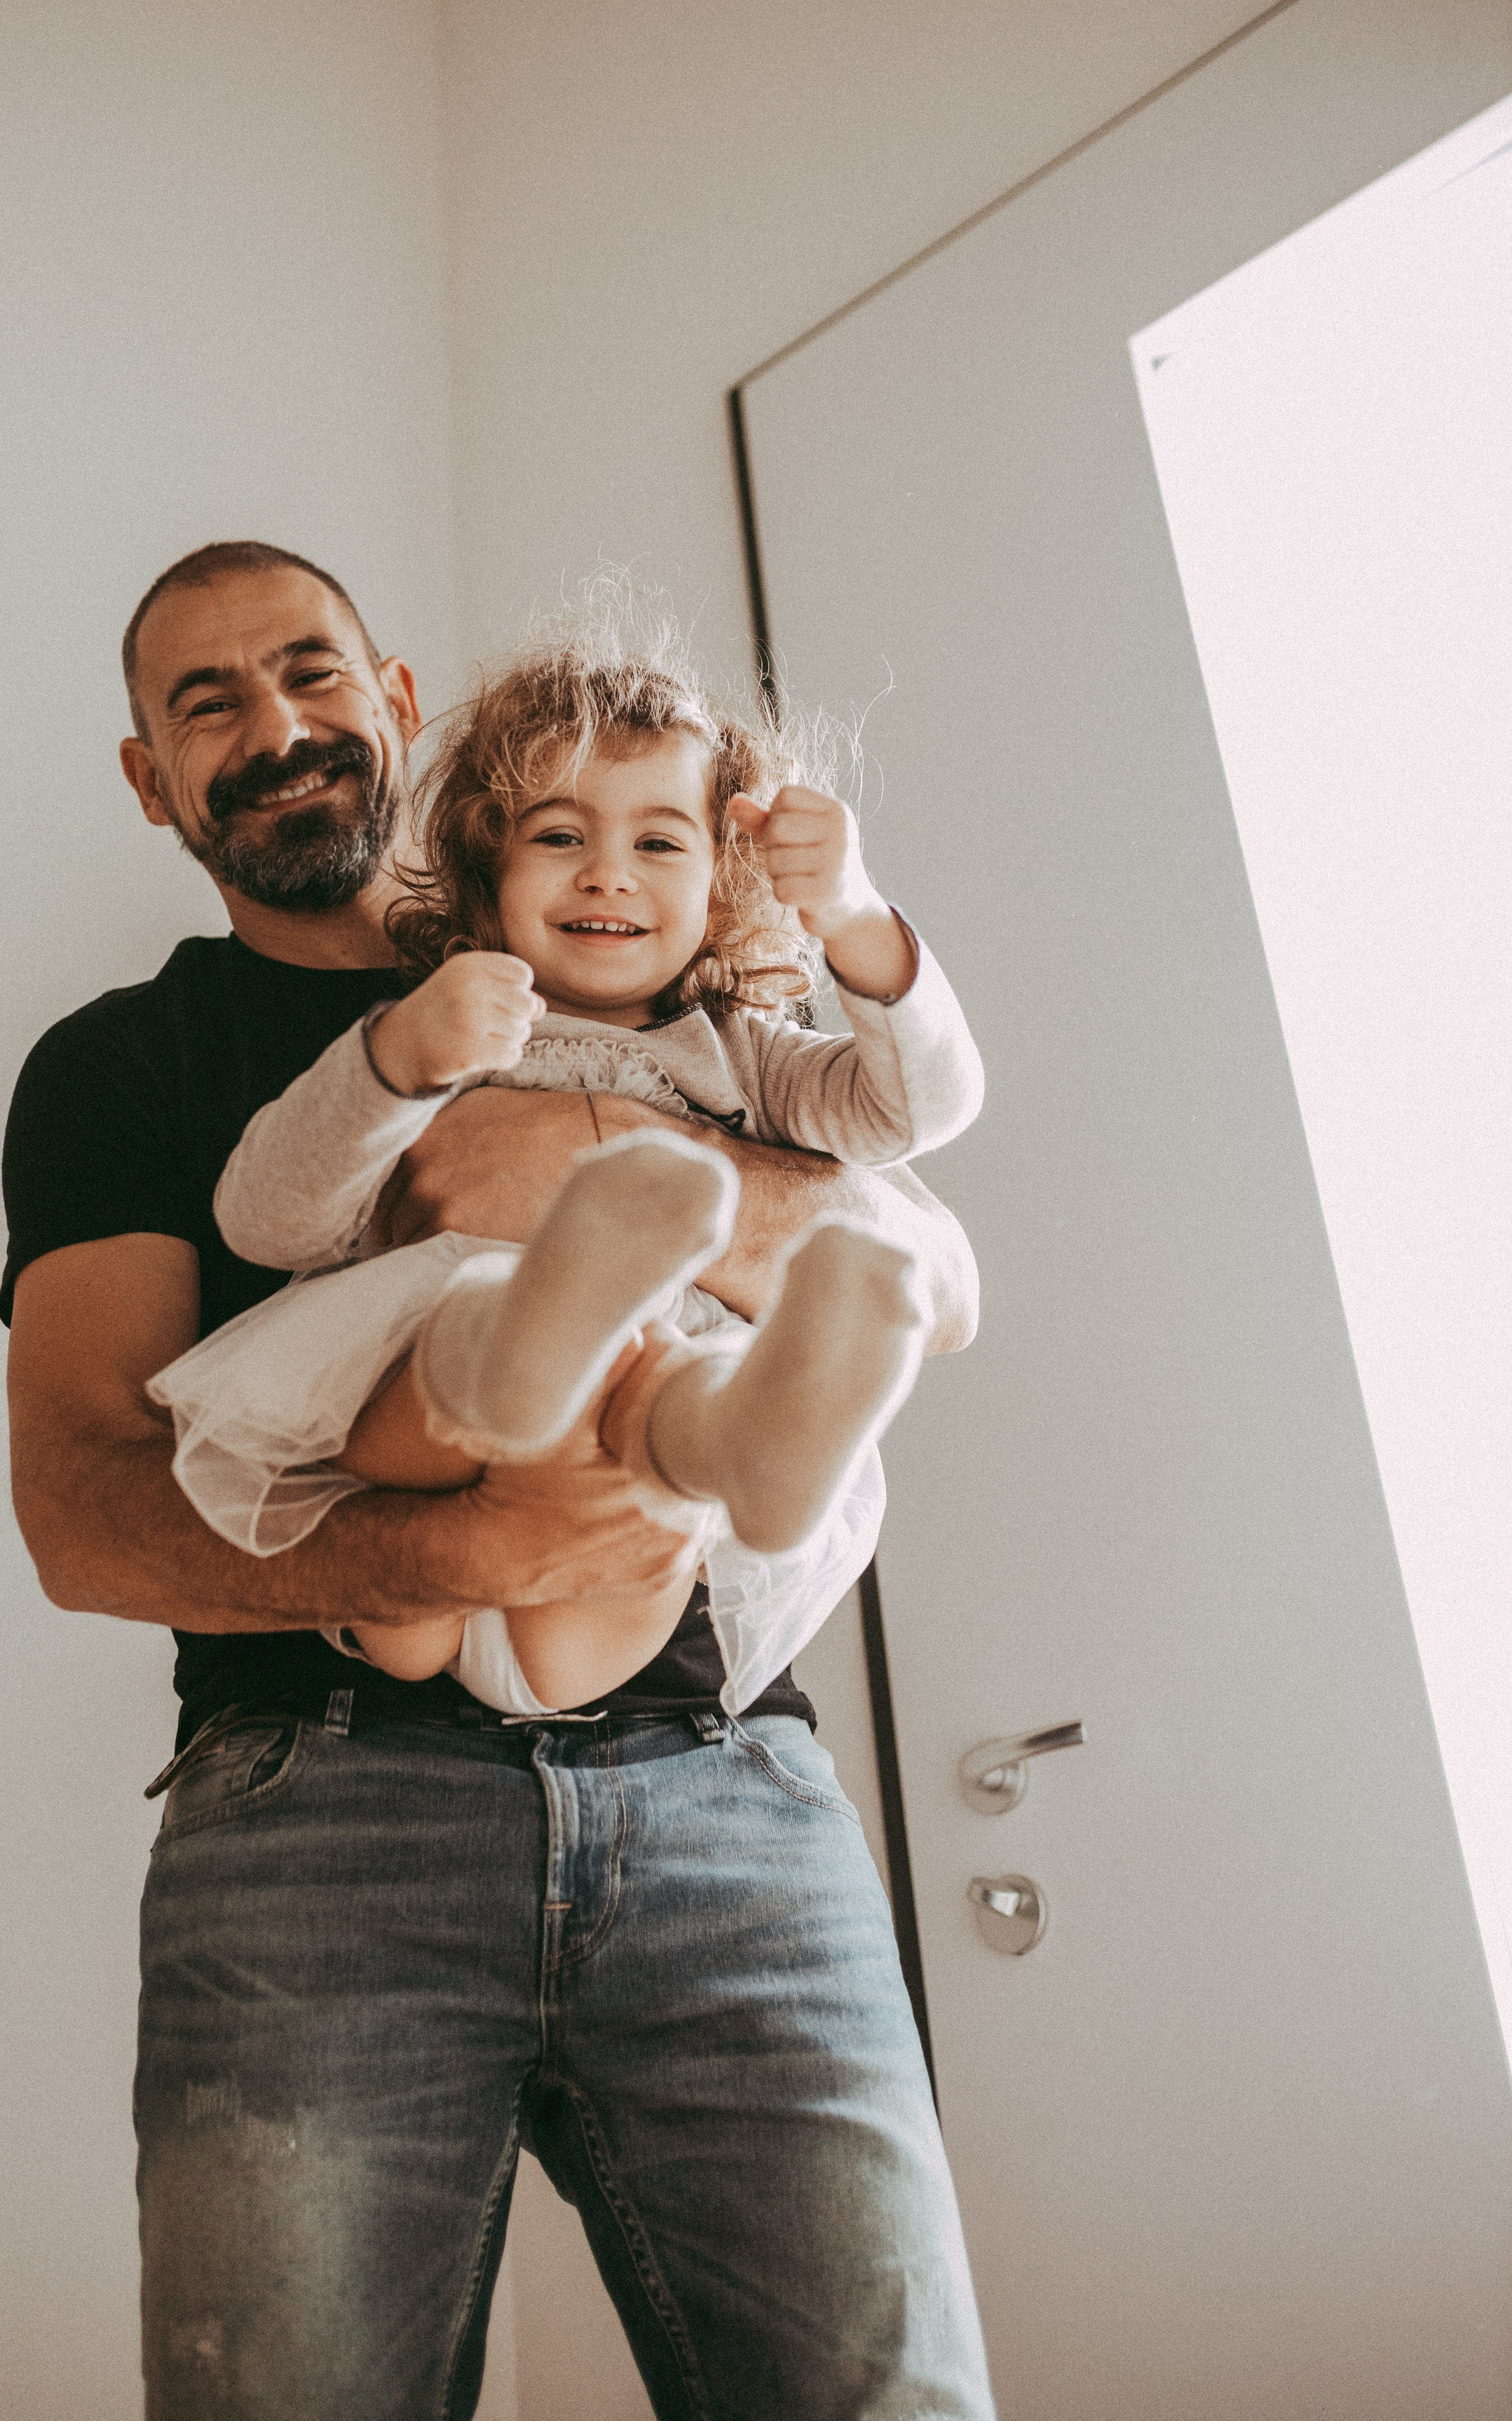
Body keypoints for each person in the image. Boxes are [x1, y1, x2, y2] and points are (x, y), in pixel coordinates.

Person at [1, 542, 995, 2420]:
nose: (276, 727)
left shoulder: (693, 983)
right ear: (149, 776)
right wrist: (469, 1530)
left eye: (308, 672)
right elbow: (82, 1508)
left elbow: (927, 1264)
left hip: (727, 1789)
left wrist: (586, 1139)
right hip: (325, 1809)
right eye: (205, 702)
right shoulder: (127, 1067)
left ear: (396, 695)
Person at [148, 634, 984, 1723]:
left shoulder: (747, 1053)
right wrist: (393, 1060)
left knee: (654, 1395)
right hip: (412, 1499)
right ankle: (544, 1334)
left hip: (591, 1589)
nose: (608, 871)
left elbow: (921, 1110)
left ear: (726, 878)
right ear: (486, 876)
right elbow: (265, 1221)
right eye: (559, 833)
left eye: (659, 840)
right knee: (474, 1320)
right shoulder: (445, 1028)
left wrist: (859, 920)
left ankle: (742, 1441)